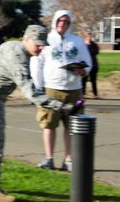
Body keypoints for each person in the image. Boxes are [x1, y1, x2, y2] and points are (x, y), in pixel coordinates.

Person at [0, 25, 74, 202]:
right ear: (26, 39)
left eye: (44, 44)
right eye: (38, 44)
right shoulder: (18, 58)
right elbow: (30, 92)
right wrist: (60, 106)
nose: (41, 47)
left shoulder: (11, 46)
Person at [31, 10, 92, 172]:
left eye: (66, 21)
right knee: (49, 124)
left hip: (74, 90)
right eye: (59, 20)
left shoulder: (77, 41)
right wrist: (38, 87)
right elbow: (38, 63)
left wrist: (83, 71)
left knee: (71, 126)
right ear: (55, 21)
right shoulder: (46, 40)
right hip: (52, 88)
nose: (62, 24)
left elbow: (88, 62)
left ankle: (69, 159)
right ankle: (49, 158)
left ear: (70, 23)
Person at [82, 31, 100, 99]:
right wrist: (87, 45)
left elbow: (95, 52)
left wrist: (89, 45)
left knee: (93, 80)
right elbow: (83, 53)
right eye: (87, 37)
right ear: (85, 37)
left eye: (90, 37)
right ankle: (83, 94)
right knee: (84, 80)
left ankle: (95, 94)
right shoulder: (83, 45)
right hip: (85, 65)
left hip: (94, 65)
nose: (89, 38)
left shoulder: (94, 44)